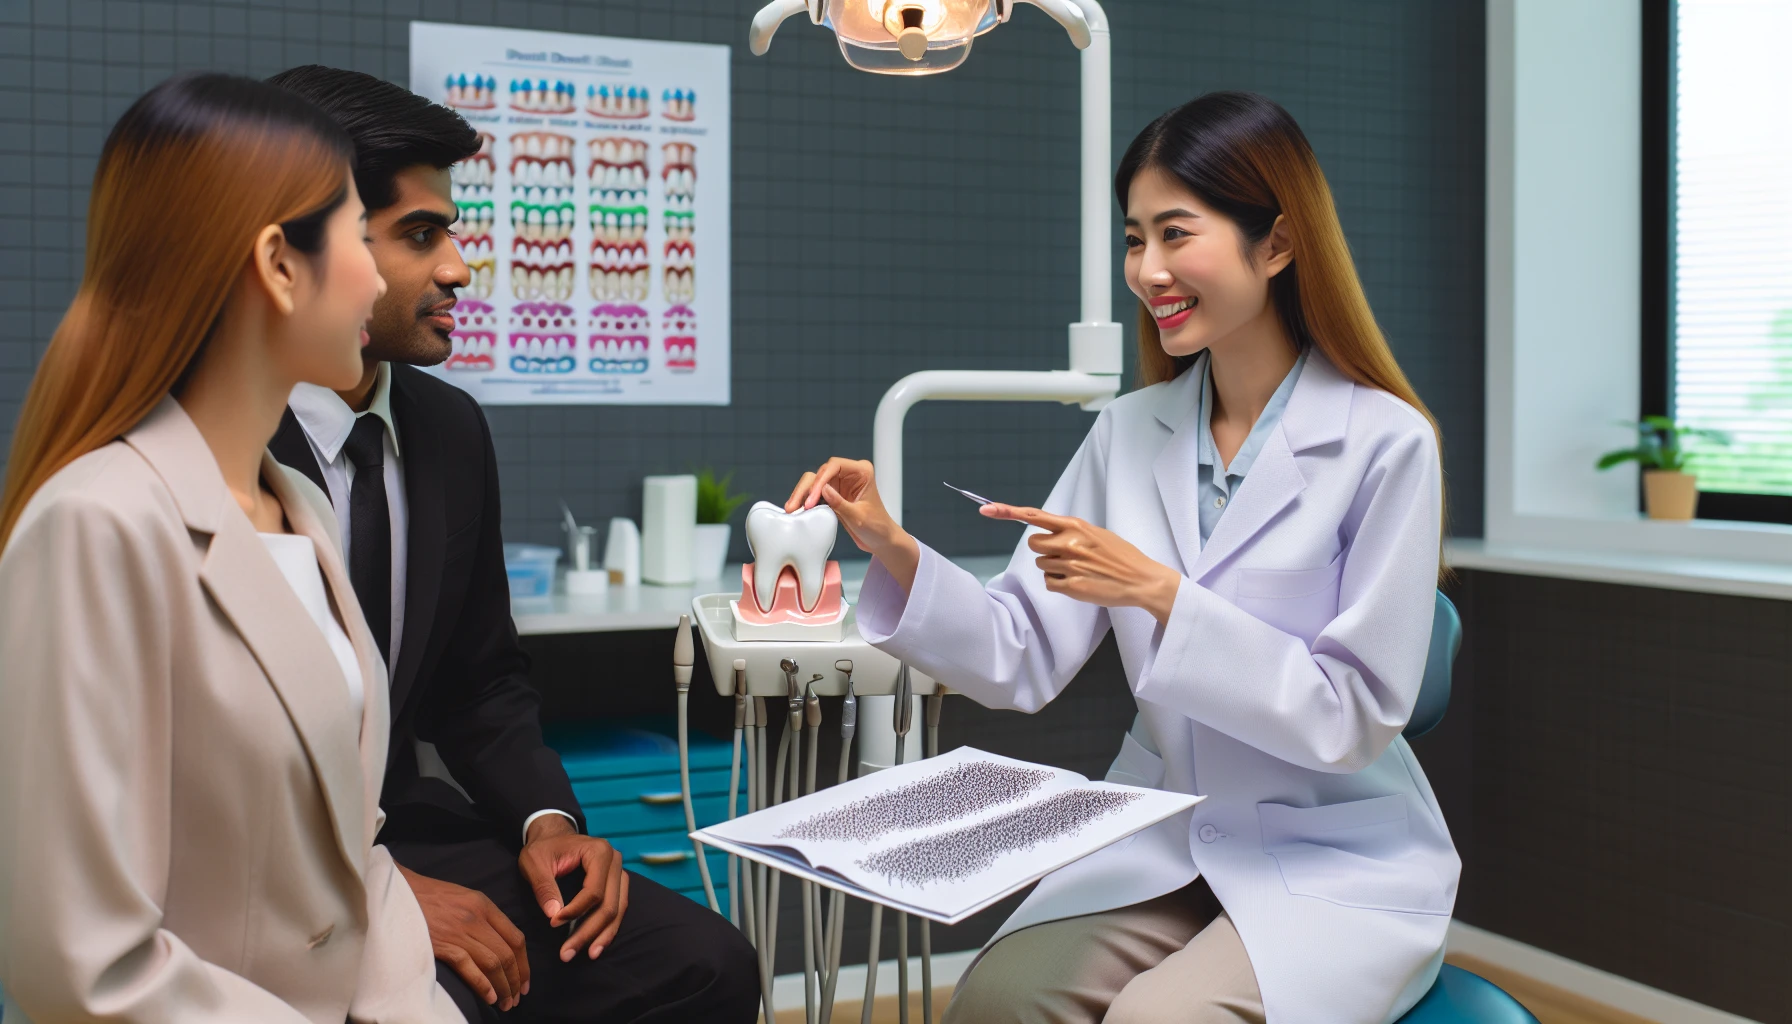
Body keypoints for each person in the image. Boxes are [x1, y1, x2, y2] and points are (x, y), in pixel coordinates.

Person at [788, 92, 1460, 1024]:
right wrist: (894, 548)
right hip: (1166, 832)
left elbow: (1350, 718)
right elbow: (1018, 649)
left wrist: (1160, 594)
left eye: (1176, 234)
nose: (1147, 270)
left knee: (1158, 1020)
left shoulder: (1386, 445)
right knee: (994, 1002)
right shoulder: (1127, 434)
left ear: (1276, 243)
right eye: (1134, 238)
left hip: (1330, 854)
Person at [265, 66, 757, 1024]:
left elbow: (480, 680)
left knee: (708, 965)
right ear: (303, 249)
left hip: (403, 824)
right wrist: (383, 899)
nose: (458, 268)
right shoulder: (216, 441)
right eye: (419, 235)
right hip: (273, 860)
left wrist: (549, 823)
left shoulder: (448, 430)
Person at [0, 73, 462, 1023]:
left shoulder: (297, 509)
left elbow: (355, 860)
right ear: (279, 264)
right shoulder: (97, 527)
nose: (380, 279)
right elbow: (84, 968)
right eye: (356, 238)